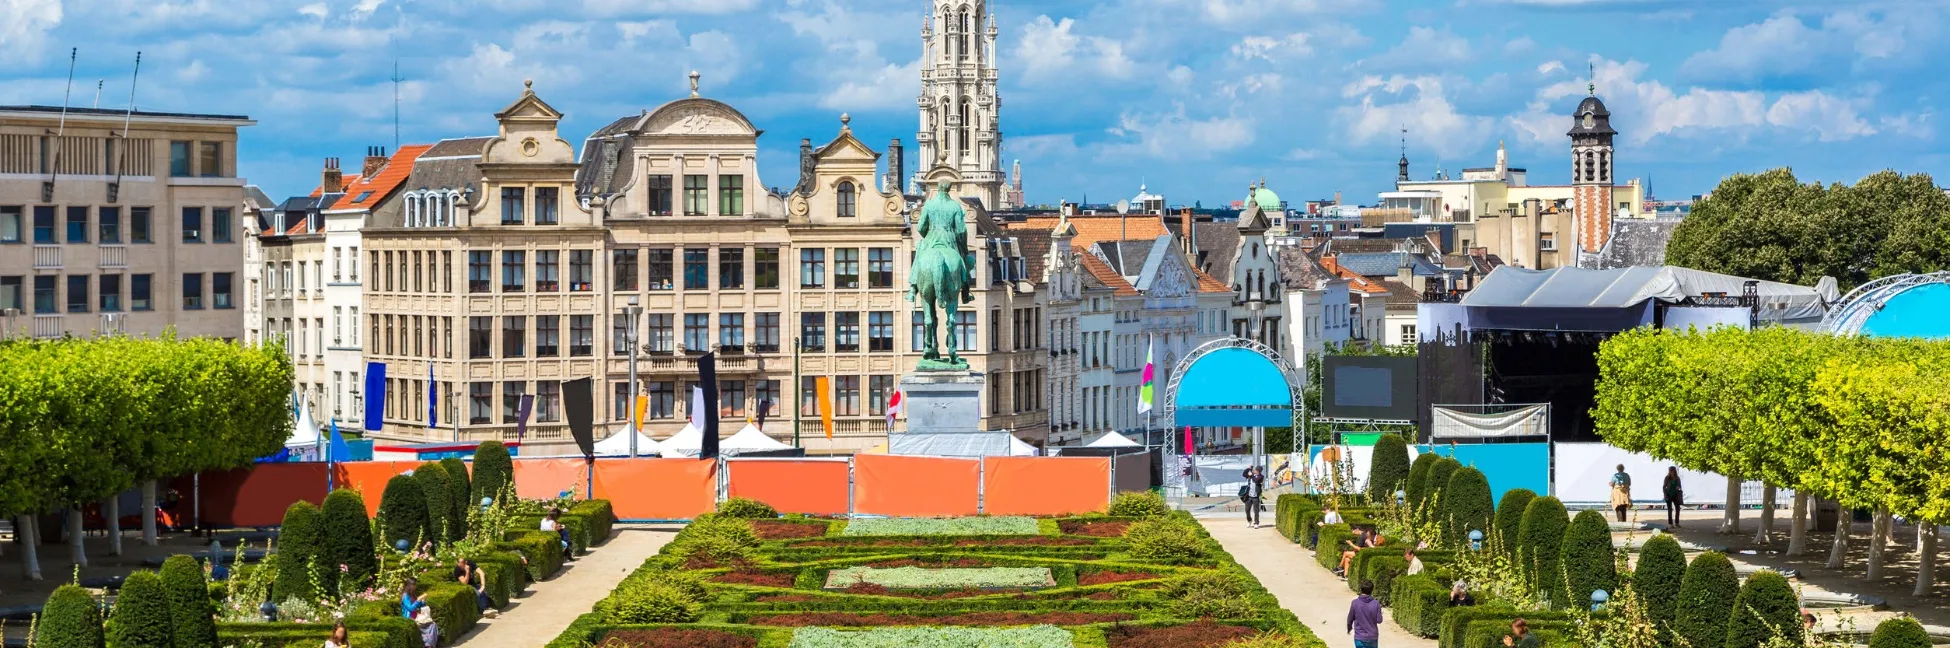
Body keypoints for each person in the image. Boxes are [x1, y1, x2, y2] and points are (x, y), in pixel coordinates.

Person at [400, 578, 439, 648]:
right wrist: (418, 599)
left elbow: (420, 605)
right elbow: (410, 608)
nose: (415, 586)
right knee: (429, 626)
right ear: (409, 585)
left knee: (433, 625)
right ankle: (427, 645)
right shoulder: (405, 596)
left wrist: (422, 601)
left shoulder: (412, 594)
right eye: (414, 585)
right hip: (409, 619)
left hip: (416, 617)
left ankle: (429, 645)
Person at [1347, 580, 1383, 648]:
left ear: (1361, 589)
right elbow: (1379, 620)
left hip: (1360, 637)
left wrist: (1349, 628)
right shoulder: (1376, 603)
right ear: (1372, 590)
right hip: (1372, 637)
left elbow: (1350, 619)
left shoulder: (1355, 603)